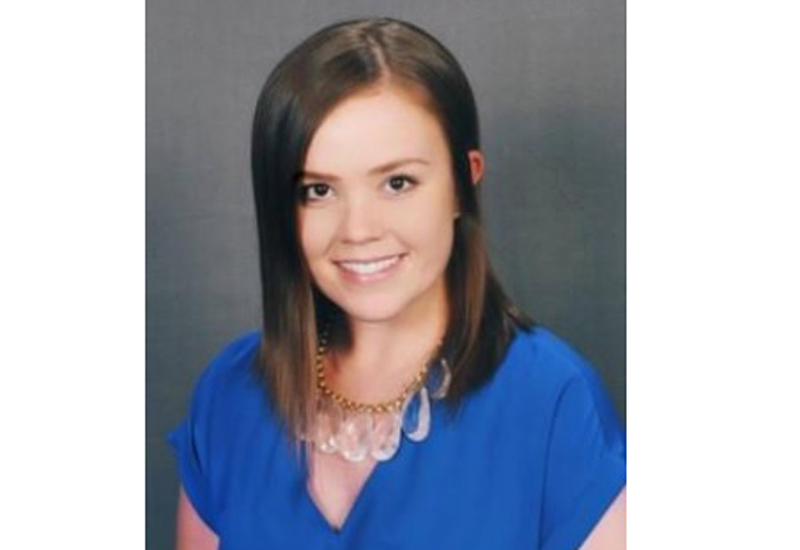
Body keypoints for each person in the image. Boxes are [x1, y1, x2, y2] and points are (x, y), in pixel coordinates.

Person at [168, 17, 626, 550]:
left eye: (397, 182)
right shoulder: (230, 394)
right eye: (318, 190)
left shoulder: (552, 400)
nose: (358, 230)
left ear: (464, 183)